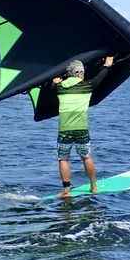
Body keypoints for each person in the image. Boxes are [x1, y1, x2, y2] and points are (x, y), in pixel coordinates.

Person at [52, 56, 114, 197]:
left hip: (64, 130)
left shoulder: (60, 87)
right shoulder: (88, 86)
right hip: (82, 129)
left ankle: (66, 190)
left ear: (69, 73)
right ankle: (93, 187)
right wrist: (107, 64)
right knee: (86, 157)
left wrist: (55, 82)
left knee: (63, 159)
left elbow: (53, 84)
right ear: (80, 73)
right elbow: (102, 75)